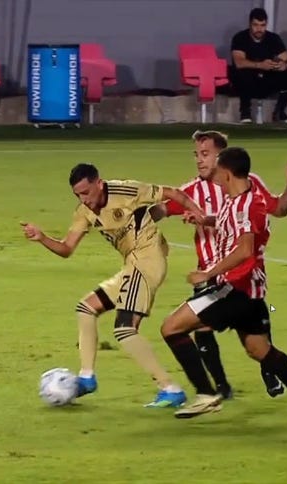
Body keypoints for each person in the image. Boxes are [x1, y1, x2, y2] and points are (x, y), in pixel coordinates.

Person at [160, 147, 287, 419]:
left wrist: (209, 273)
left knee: (171, 328)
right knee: (259, 349)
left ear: (227, 174)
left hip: (233, 289)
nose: (214, 177)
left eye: (217, 172)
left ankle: (206, 394)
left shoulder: (246, 205)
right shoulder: (239, 200)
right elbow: (243, 221)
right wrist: (205, 220)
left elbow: (245, 249)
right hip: (251, 294)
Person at [20, 163, 207, 407]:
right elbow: (66, 249)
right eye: (77, 195)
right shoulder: (84, 212)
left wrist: (199, 215)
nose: (83, 199)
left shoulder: (126, 191)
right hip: (131, 265)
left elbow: (173, 193)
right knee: (86, 308)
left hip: (148, 260)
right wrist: (42, 238)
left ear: (99, 184)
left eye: (86, 192)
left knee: (124, 329)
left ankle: (170, 389)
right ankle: (87, 378)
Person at [230, 8, 287, 123]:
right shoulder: (240, 38)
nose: (259, 29)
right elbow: (239, 62)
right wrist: (260, 65)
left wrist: (283, 65)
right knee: (242, 72)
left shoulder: (273, 38)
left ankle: (279, 112)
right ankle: (245, 113)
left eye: (262, 25)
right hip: (248, 80)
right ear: (250, 24)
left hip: (266, 79)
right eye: (255, 25)